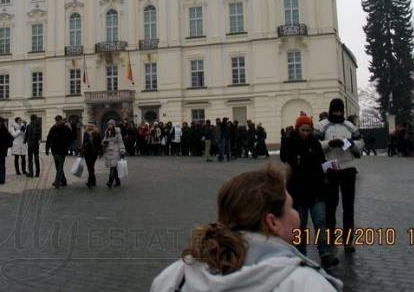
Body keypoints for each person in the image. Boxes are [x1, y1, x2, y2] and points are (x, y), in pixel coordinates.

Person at [150, 165, 342, 291]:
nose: (297, 214)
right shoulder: (306, 284)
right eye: (291, 207)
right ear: (272, 222)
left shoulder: (175, 277)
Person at [280, 114, 338, 268]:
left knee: (320, 222)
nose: (306, 133)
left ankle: (325, 253)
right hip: (297, 191)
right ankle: (301, 256)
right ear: (298, 129)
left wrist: (329, 169)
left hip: (316, 190)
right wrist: (285, 139)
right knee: (300, 225)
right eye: (303, 130)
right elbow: (283, 156)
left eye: (308, 130)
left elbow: (321, 162)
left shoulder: (315, 143)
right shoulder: (291, 142)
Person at [316, 98, 363, 253]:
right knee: (331, 206)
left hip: (348, 169)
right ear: (330, 110)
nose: (337, 113)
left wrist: (348, 142)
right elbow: (315, 145)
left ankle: (348, 240)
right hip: (330, 169)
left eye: (339, 110)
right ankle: (331, 239)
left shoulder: (349, 126)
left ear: (343, 111)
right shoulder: (322, 125)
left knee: (348, 206)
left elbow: (360, 144)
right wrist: (329, 144)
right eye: (335, 110)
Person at [45, 115, 74, 188]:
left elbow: (71, 138)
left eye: (58, 120)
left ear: (61, 120)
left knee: (60, 166)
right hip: (55, 150)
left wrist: (65, 143)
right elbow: (49, 138)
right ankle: (63, 181)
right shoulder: (53, 128)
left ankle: (57, 181)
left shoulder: (66, 128)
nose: (57, 122)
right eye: (56, 120)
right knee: (58, 167)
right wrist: (47, 148)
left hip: (62, 150)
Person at [102, 119, 126, 188]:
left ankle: (110, 182)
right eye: (108, 124)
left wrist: (122, 150)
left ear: (113, 125)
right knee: (114, 167)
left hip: (116, 150)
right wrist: (104, 142)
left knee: (112, 167)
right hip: (108, 151)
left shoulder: (117, 132)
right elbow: (104, 140)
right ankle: (118, 182)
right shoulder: (106, 132)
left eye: (111, 124)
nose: (109, 125)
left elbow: (120, 142)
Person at [81, 122, 102, 188]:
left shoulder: (97, 133)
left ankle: (90, 182)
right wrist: (82, 151)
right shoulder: (85, 133)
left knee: (91, 166)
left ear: (93, 126)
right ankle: (93, 181)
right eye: (88, 125)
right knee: (90, 167)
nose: (89, 126)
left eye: (91, 125)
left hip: (94, 152)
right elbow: (84, 143)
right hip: (87, 152)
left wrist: (100, 152)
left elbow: (99, 143)